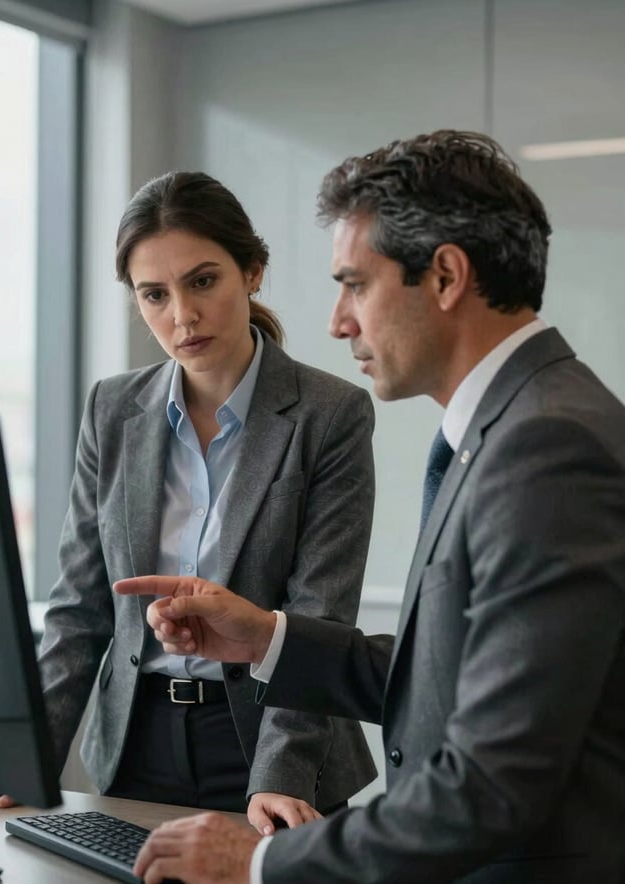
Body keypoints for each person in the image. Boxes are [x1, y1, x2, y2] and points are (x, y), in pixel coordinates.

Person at [115, 131, 625, 883]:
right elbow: (457, 670)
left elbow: (489, 784)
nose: (337, 320)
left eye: (355, 284)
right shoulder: (512, 425)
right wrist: (266, 638)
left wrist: (262, 861)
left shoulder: (544, 445)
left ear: (446, 275)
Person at [0, 170, 378, 833]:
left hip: (272, 744)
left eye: (203, 281)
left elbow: (319, 614)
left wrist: (279, 775)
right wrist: (20, 755)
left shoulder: (329, 414)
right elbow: (80, 608)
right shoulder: (113, 408)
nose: (182, 316)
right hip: (135, 741)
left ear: (252, 271)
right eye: (155, 294)